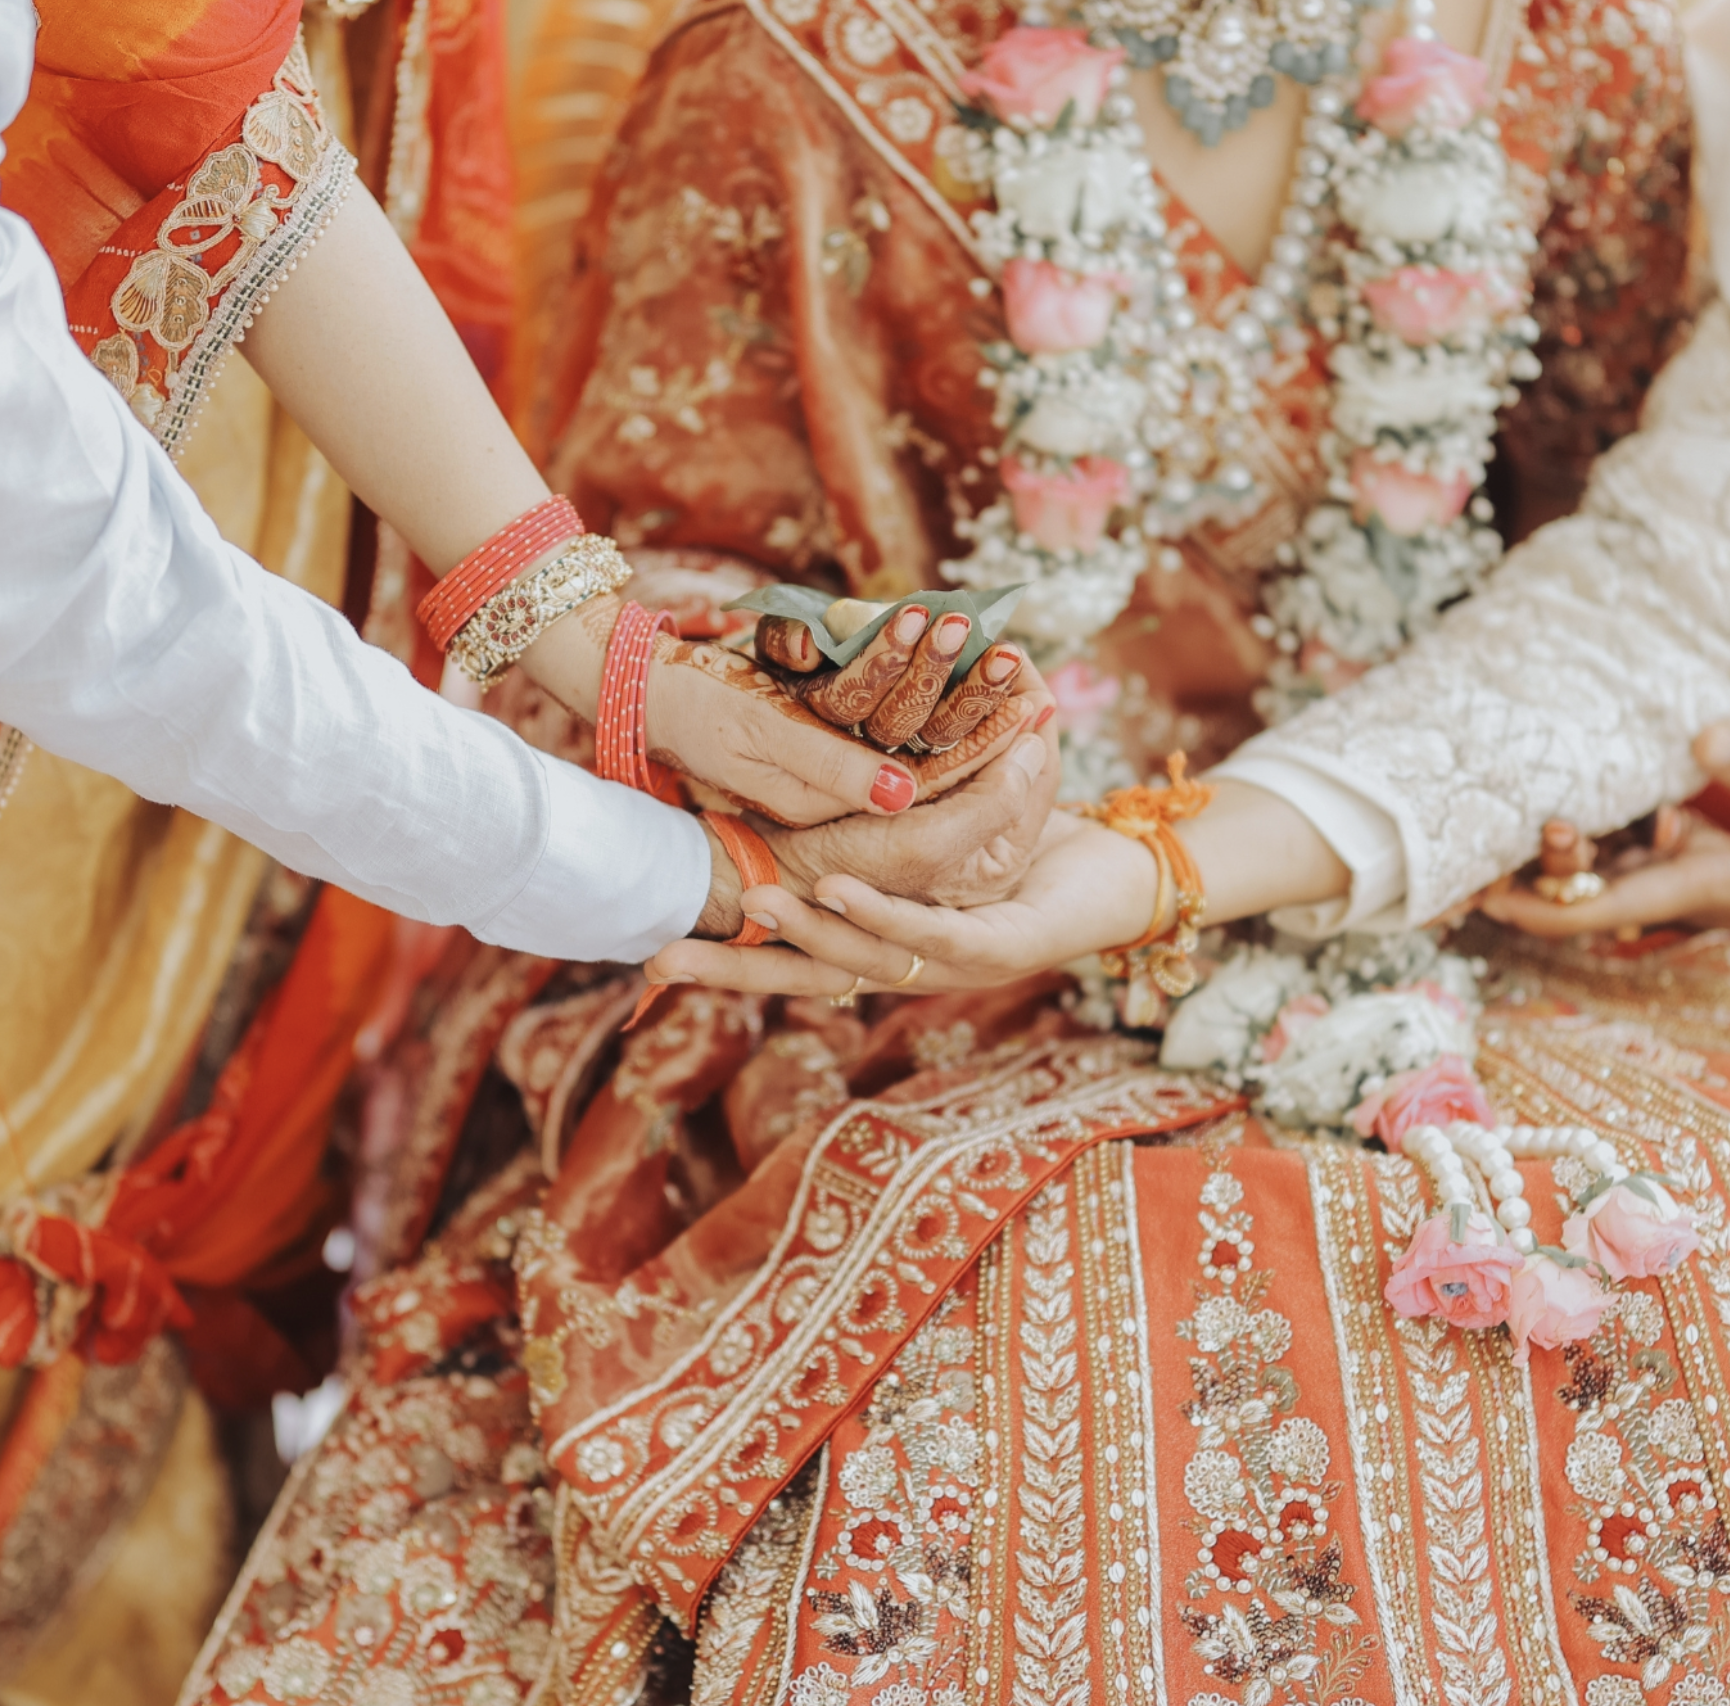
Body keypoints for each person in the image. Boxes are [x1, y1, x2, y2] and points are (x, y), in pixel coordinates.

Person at [177, 0, 1730, 1702]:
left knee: (1648, 1261)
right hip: (891, 949)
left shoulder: (1569, 58)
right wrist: (890, 739)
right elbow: (621, 628)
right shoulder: (786, 70)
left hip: (1458, 897)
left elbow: (1639, 588)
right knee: (1067, 1337)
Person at [0, 1, 1057, 1697]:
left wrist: (600, 650)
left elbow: (191, 82)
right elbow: (117, 619)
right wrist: (696, 877)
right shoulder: (773, 79)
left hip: (242, 400)